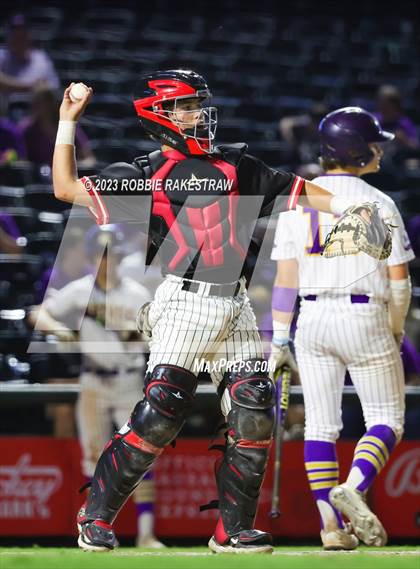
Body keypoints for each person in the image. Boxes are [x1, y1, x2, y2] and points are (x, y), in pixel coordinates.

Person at [51, 70, 381, 554]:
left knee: (253, 412)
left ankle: (232, 531)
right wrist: (66, 121)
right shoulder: (145, 174)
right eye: (186, 107)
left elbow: (306, 192)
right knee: (160, 415)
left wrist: (354, 211)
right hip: (183, 303)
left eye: (199, 105)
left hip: (237, 304)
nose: (198, 115)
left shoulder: (237, 164)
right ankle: (94, 517)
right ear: (157, 115)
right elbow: (64, 189)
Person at [269, 107, 415, 550]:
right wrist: (395, 329)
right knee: (387, 419)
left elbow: (284, 281)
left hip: (311, 319)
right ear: (358, 149)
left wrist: (278, 340)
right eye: (374, 143)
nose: (380, 148)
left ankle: (331, 528)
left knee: (319, 426)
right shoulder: (380, 202)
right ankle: (354, 484)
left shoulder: (298, 200)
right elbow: (400, 284)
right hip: (364, 313)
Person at [30, 224, 164, 548]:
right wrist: (60, 331)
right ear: (92, 257)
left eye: (112, 255)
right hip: (92, 381)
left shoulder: (136, 293)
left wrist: (138, 335)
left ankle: (146, 533)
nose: (107, 262)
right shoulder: (78, 291)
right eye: (101, 256)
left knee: (140, 456)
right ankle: (95, 529)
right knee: (93, 460)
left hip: (129, 379)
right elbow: (37, 313)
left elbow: (155, 334)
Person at [20, 85, 95, 167]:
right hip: (38, 177)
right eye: (37, 102)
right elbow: (22, 161)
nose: (40, 106)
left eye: (45, 101)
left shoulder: (68, 125)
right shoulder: (27, 129)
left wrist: (73, 168)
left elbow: (89, 158)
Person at [0, 14, 59, 111]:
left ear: (28, 35)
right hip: (5, 112)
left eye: (22, 32)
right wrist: (29, 86)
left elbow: (51, 88)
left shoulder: (40, 58)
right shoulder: (2, 55)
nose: (18, 36)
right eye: (14, 32)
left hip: (35, 112)